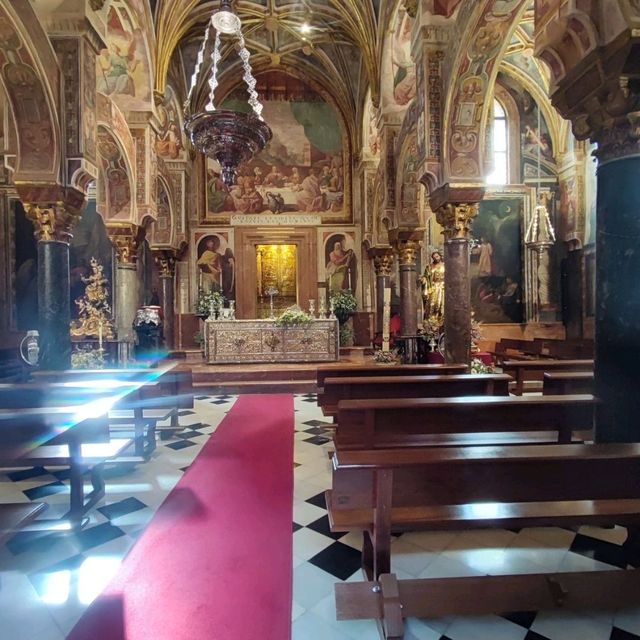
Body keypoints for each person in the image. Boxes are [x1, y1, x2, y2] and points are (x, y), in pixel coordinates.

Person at [420, 251, 445, 321]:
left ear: (440, 256)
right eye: (434, 257)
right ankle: (431, 320)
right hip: (434, 287)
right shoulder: (430, 267)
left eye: (437, 256)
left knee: (441, 304)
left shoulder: (445, 265)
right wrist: (424, 279)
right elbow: (426, 276)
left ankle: (441, 320)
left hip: (443, 287)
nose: (436, 258)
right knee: (432, 303)